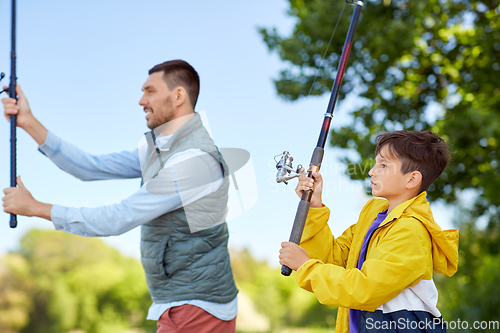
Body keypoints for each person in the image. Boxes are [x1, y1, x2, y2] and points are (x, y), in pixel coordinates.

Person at [2, 60, 238, 333]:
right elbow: (90, 167)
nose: (141, 101)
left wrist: (36, 208)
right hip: (180, 304)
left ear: (178, 96)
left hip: (197, 308)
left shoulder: (195, 161)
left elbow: (118, 218)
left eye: (150, 91)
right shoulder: (160, 150)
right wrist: (29, 122)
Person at [279, 131, 459, 333]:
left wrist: (305, 266)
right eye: (375, 163)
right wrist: (315, 206)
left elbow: (365, 289)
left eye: (383, 165)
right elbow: (334, 259)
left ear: (412, 179)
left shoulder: (412, 231)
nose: (372, 171)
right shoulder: (372, 215)